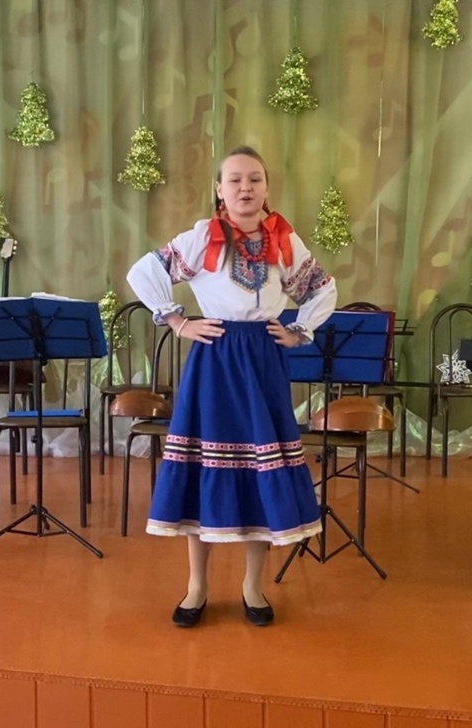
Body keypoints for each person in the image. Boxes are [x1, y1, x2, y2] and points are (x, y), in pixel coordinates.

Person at [126, 145, 337, 627]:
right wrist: (179, 322)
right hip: (215, 359)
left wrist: (299, 330)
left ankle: (252, 586)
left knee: (261, 467)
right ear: (219, 189)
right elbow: (144, 272)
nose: (246, 187)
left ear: (266, 188)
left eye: (255, 179)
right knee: (204, 466)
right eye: (236, 179)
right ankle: (196, 586)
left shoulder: (285, 241)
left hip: (263, 361)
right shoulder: (203, 237)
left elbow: (323, 289)